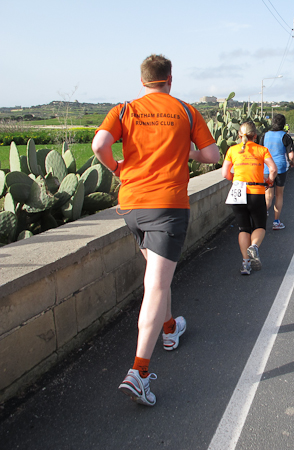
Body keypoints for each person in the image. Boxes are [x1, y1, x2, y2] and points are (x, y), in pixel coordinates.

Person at [91, 54, 220, 406]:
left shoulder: (124, 110)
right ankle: (140, 372)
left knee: (157, 277)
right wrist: (188, 153)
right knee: (156, 285)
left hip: (131, 207)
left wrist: (116, 167)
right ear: (170, 79)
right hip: (167, 208)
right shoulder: (187, 111)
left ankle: (169, 329)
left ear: (143, 80)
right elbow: (213, 155)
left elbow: (99, 145)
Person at [222, 121, 277, 275]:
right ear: (255, 135)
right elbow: (273, 169)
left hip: (237, 192)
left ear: (239, 136)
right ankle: (254, 247)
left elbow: (225, 173)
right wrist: (269, 181)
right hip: (256, 192)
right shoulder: (262, 150)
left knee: (243, 228)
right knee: (259, 226)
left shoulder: (232, 150)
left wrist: (235, 179)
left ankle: (245, 264)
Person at [260, 114, 294, 230]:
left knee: (268, 196)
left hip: (267, 169)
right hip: (280, 168)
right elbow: (291, 155)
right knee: (279, 195)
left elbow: (259, 152)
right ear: (283, 124)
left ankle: (261, 217)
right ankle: (276, 222)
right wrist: (292, 162)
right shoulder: (285, 136)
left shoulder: (265, 135)